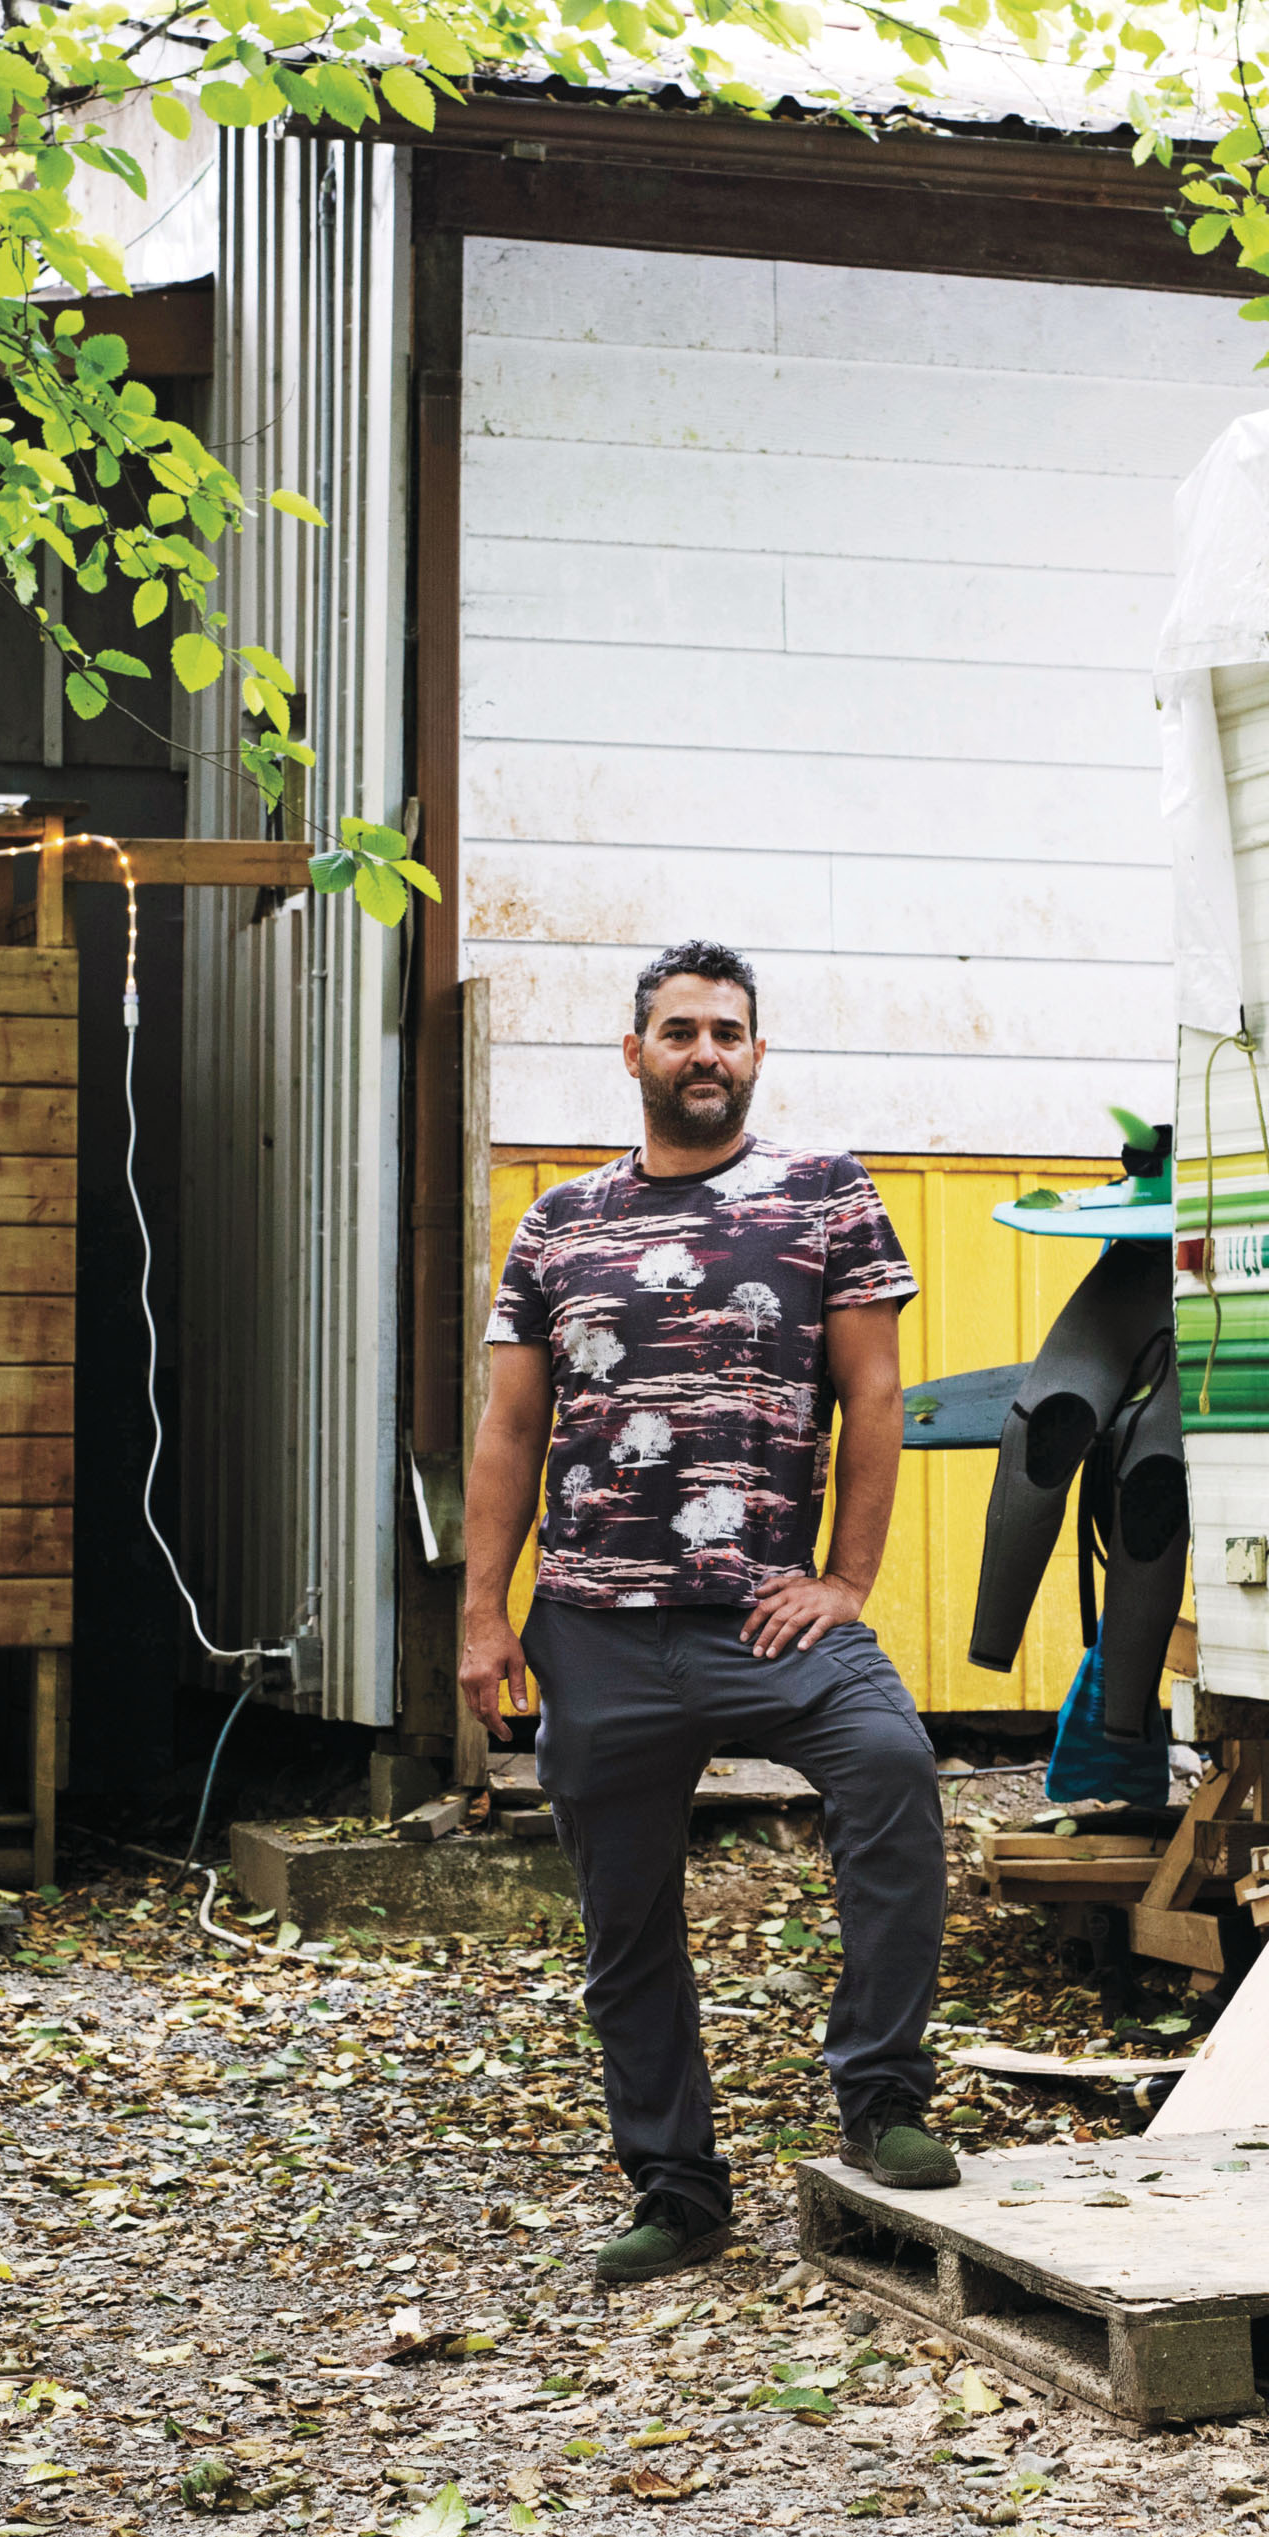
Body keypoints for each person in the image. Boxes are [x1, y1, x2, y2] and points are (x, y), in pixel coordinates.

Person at [461, 939, 959, 2287]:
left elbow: (874, 1399)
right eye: (678, 1032)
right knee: (626, 1920)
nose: (705, 1054)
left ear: (756, 1054)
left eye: (728, 1034)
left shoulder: (824, 1200)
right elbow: (511, 1428)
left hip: (769, 1622)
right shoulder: (557, 1224)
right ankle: (677, 2190)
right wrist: (482, 1614)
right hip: (595, 1628)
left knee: (895, 1766)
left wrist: (846, 1582)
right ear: (634, 1055)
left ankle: (884, 2100)